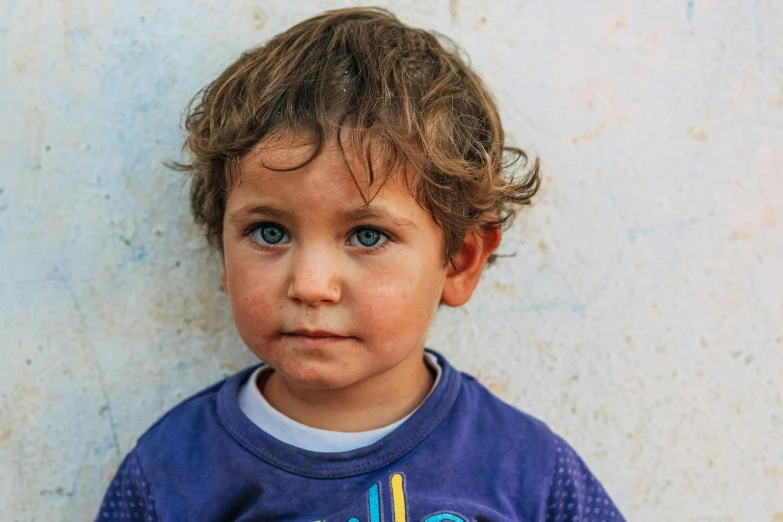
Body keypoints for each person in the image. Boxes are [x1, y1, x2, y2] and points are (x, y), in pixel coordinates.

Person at [95, 7, 625, 521]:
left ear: (459, 262)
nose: (311, 286)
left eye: (367, 236)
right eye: (269, 232)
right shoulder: (171, 473)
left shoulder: (526, 470)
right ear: (223, 255)